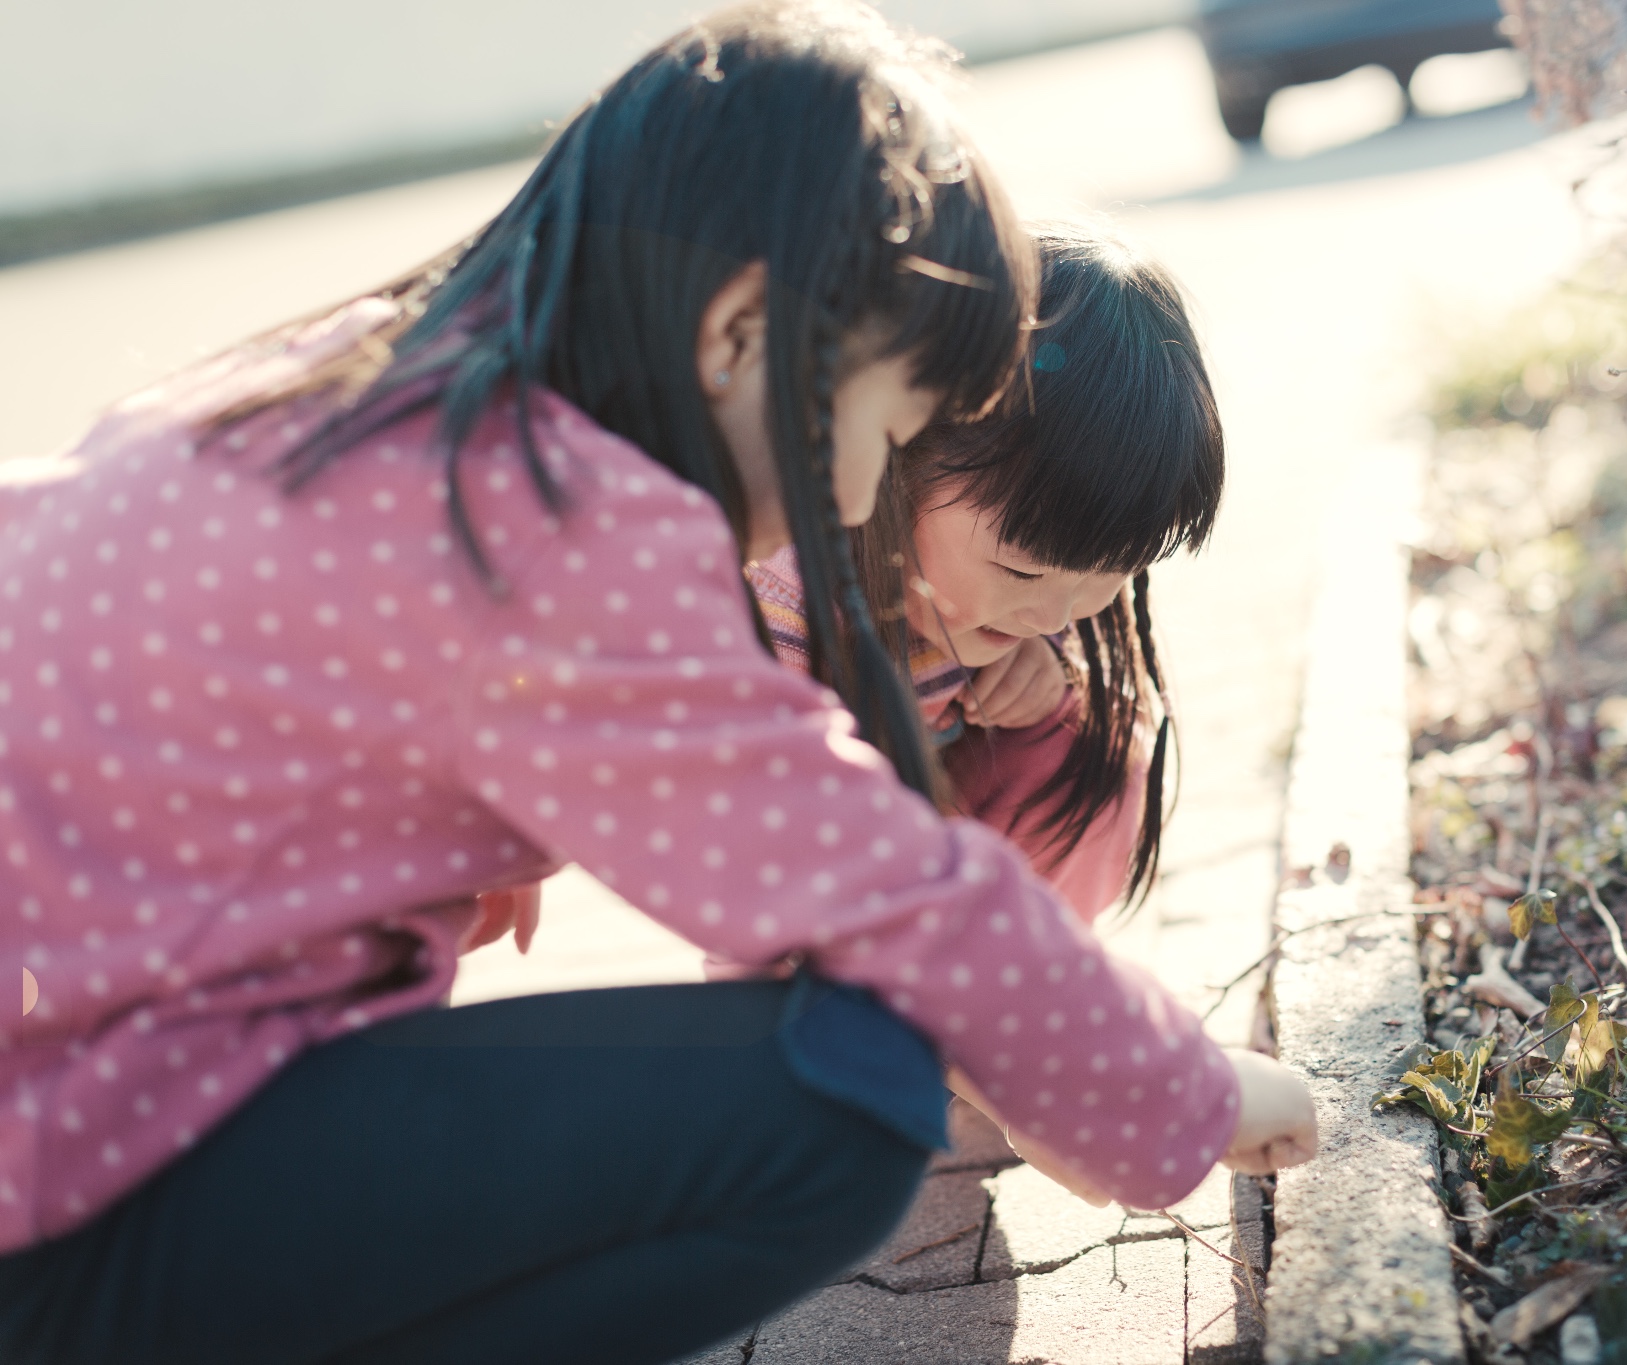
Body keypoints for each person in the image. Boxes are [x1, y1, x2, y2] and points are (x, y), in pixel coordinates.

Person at [0, 6, 1317, 1364]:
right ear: (744, 337)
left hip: (59, 1114)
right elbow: (882, 885)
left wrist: (399, 801)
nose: (860, 494)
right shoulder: (556, 521)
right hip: (76, 1197)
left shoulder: (346, 387)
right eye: (876, 432)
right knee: (842, 1097)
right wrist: (1176, 1090)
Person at [744, 222, 1224, 925]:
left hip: (938, 882)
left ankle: (1023, 994)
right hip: (802, 909)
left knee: (1096, 758)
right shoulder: (788, 604)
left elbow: (1057, 618)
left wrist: (1050, 690)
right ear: (899, 463)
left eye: (1114, 571)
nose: (1059, 617)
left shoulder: (1018, 616)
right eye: (1022, 573)